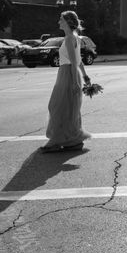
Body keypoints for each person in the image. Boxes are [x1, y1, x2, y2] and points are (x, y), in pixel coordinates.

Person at [40, 11, 92, 153]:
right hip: (69, 73)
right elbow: (78, 60)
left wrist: (76, 81)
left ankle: (57, 141)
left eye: (61, 19)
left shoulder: (70, 38)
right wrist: (85, 76)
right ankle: (72, 140)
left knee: (57, 107)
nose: (58, 22)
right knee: (68, 109)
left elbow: (75, 61)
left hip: (67, 74)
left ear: (68, 22)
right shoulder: (75, 38)